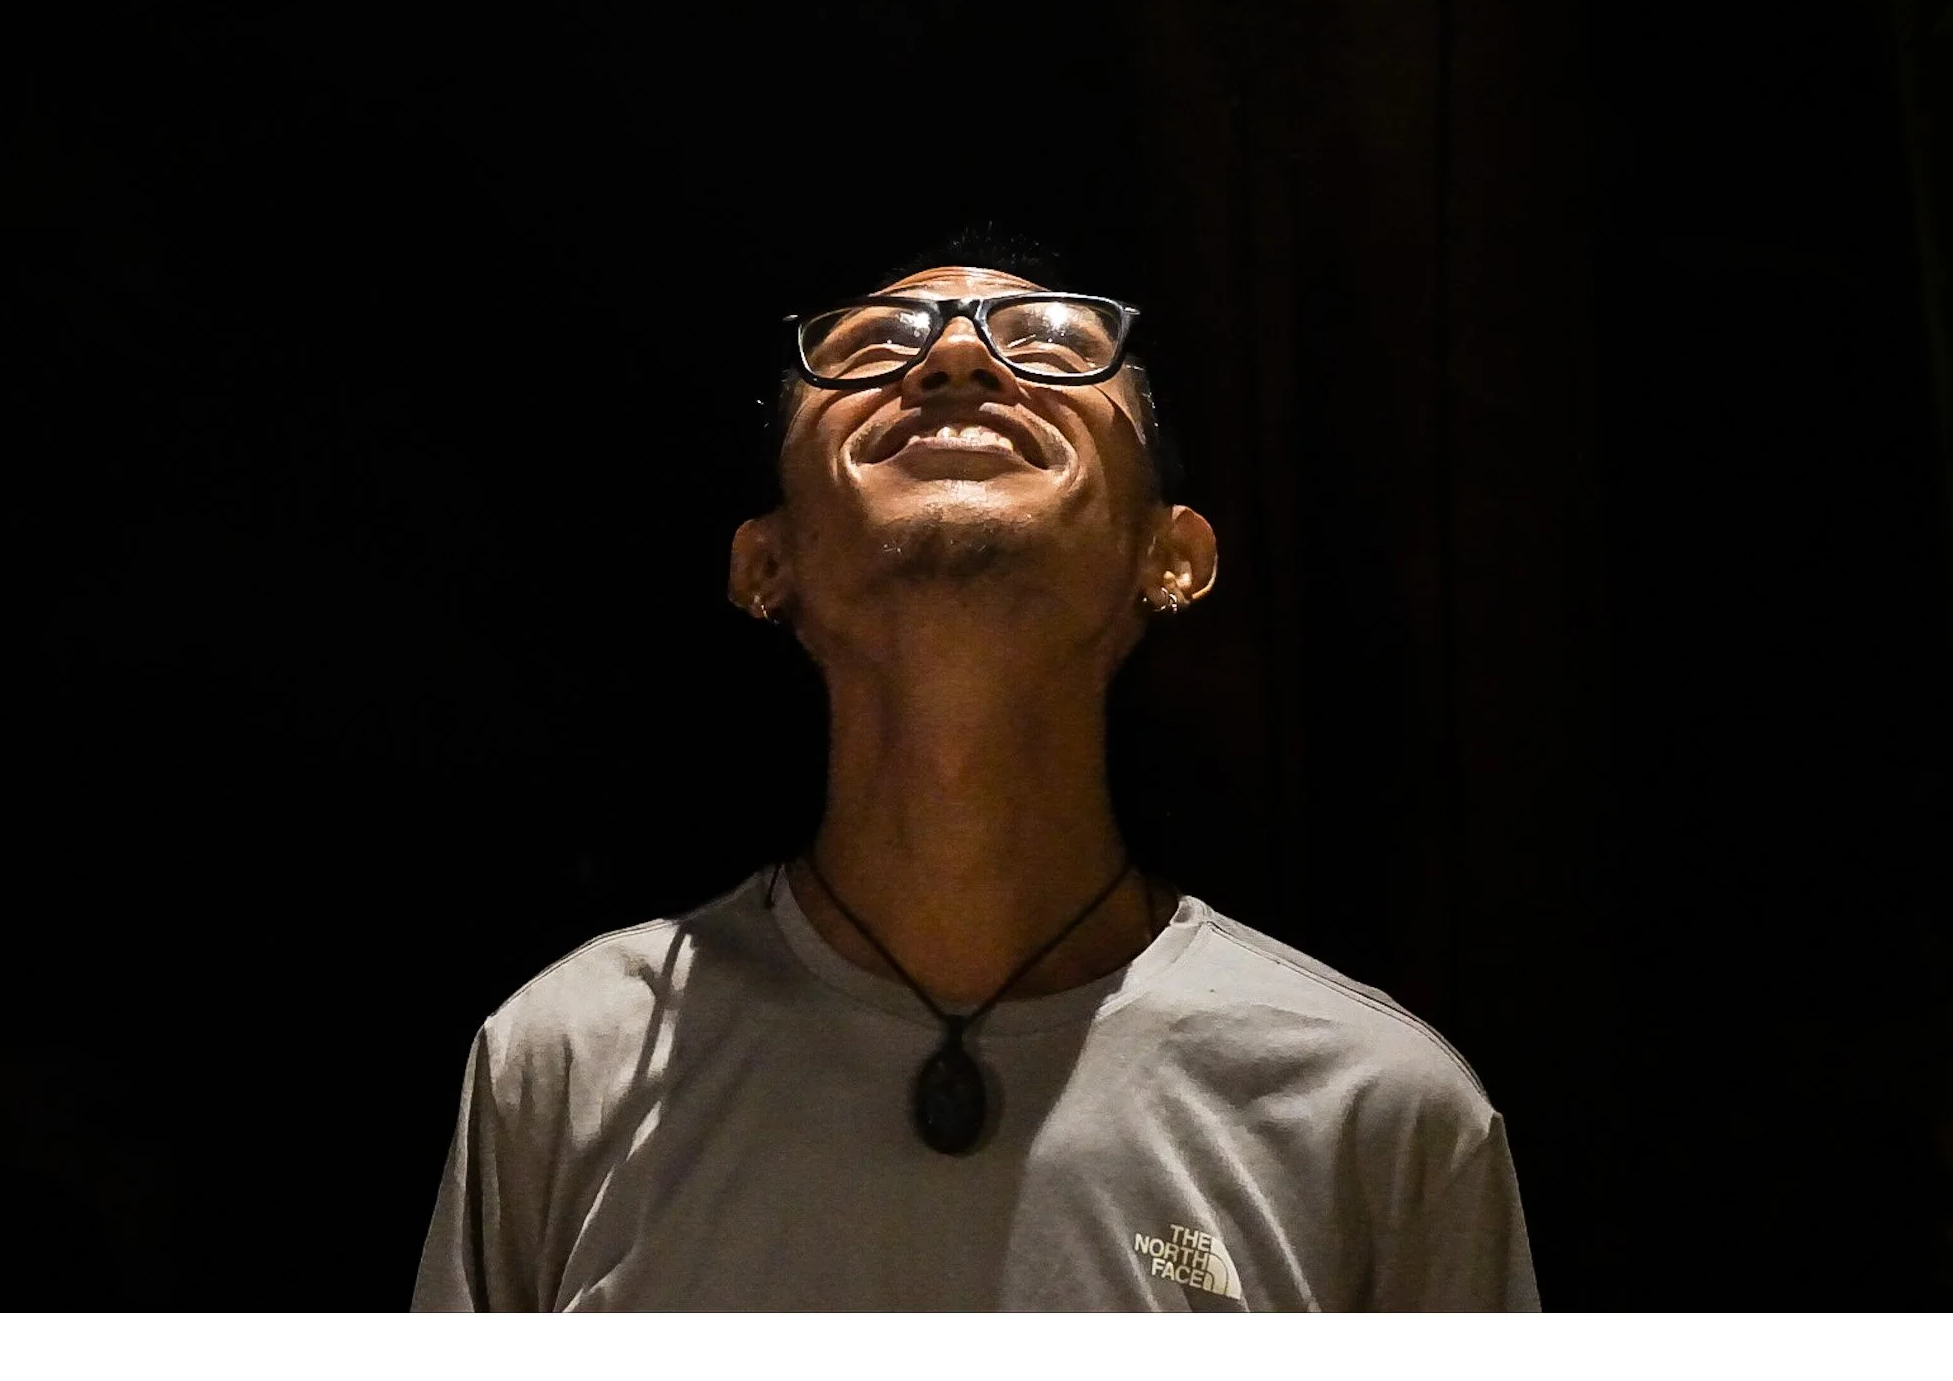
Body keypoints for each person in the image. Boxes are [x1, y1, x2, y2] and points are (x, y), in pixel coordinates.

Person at [410, 239, 1539, 1312]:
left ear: (1172, 556)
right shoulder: (568, 1060)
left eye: (1048, 342)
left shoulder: (1376, 1111)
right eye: (872, 346)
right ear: (765, 562)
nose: (955, 355)